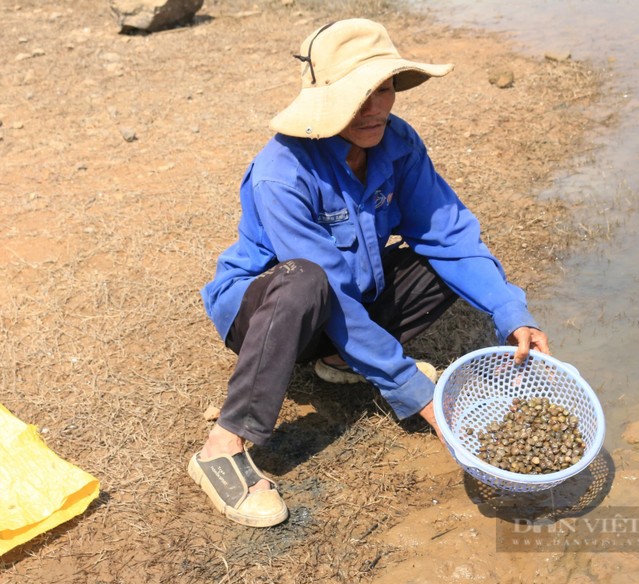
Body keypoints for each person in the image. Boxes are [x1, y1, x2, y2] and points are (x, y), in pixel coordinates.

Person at [189, 18, 550, 528]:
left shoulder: (396, 142)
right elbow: (328, 289)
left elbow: (446, 233)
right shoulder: (282, 172)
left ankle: (342, 357)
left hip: (347, 294)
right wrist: (415, 392)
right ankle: (222, 446)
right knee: (305, 280)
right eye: (360, 95)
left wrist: (512, 313)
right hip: (270, 310)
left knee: (438, 258)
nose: (377, 107)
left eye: (384, 89)